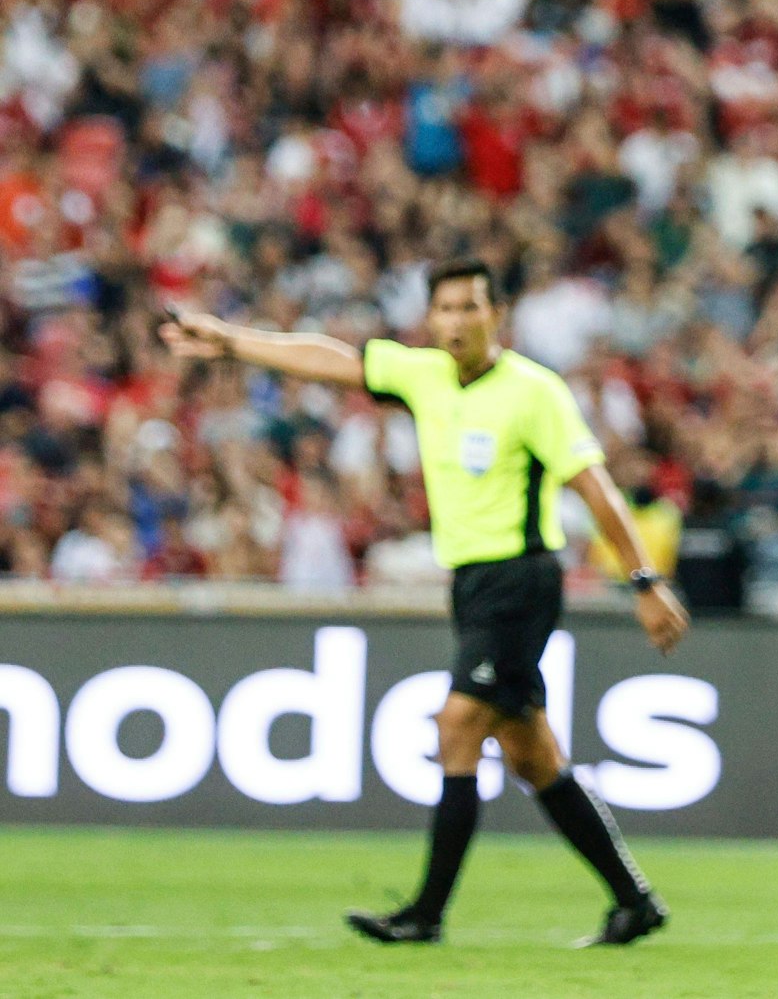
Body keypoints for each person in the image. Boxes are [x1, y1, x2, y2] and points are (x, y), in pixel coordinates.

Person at [160, 257, 688, 947]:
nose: (458, 321)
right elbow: (332, 360)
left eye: (471, 307)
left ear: (496, 314)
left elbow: (596, 489)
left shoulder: (534, 391)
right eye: (446, 309)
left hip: (520, 579)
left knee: (457, 725)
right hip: (471, 584)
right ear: (430, 318)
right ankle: (633, 900)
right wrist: (230, 338)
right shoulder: (425, 374)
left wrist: (644, 581)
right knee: (532, 756)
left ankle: (425, 914)